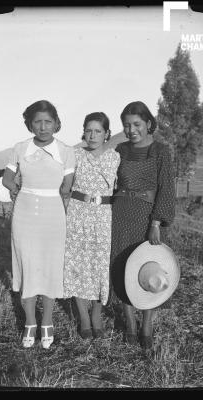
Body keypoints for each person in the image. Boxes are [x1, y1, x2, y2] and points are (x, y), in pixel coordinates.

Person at [3, 100, 75, 349]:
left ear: (56, 123)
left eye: (48, 121)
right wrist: (16, 189)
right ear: (29, 124)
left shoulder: (67, 151)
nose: (43, 127)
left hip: (53, 216)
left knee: (50, 266)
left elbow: (66, 187)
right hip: (24, 213)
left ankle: (47, 320)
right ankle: (30, 321)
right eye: (37, 122)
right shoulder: (20, 148)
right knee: (27, 265)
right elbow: (7, 178)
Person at [110, 101, 175, 349]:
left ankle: (147, 324)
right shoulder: (120, 150)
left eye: (136, 124)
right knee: (122, 266)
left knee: (150, 268)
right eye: (126, 125)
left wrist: (156, 222)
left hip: (148, 218)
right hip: (120, 215)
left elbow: (166, 187)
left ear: (148, 124)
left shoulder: (161, 151)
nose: (131, 129)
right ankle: (128, 322)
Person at [63, 112, 120, 339]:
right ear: (83, 132)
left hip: (103, 215)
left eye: (98, 131)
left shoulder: (115, 157)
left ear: (107, 133)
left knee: (99, 264)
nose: (92, 135)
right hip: (77, 212)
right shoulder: (74, 154)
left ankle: (96, 315)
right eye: (88, 130)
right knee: (77, 263)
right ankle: (83, 318)